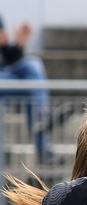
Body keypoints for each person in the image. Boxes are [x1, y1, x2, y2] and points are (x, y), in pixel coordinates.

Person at [0, 15, 50, 158]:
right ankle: (42, 124)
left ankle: (41, 119)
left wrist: (19, 44)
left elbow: (8, 58)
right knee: (31, 88)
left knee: (33, 65)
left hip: (5, 74)